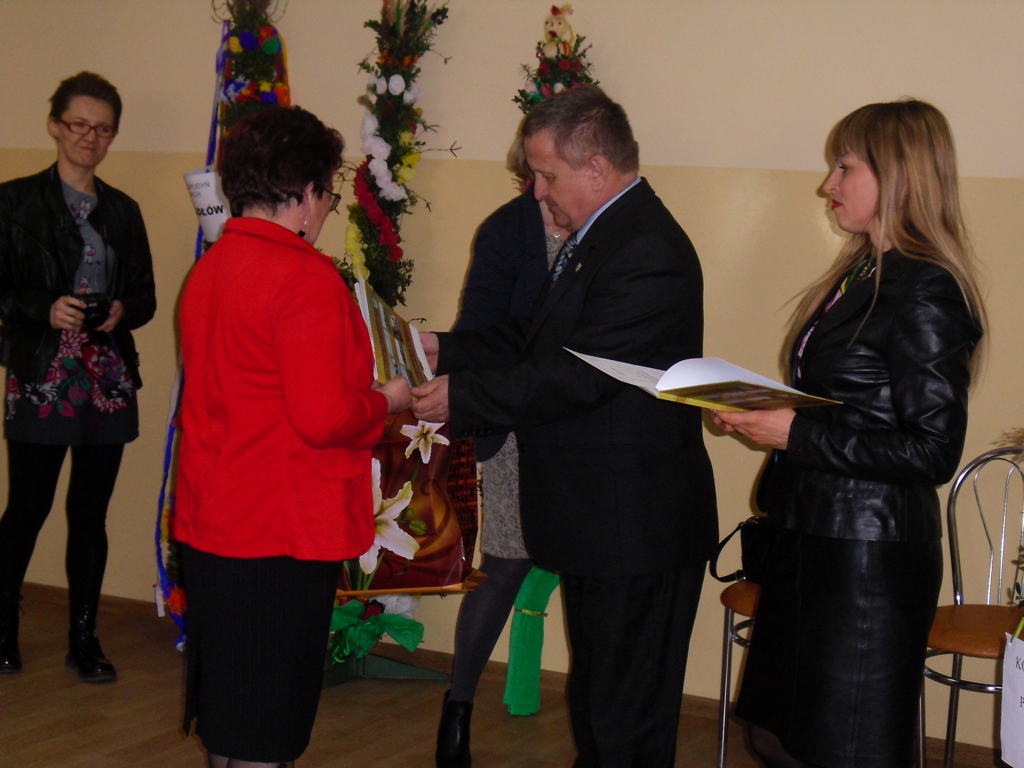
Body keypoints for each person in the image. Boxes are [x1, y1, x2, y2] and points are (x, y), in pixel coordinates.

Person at [413, 85, 718, 768]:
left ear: (596, 169)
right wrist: (445, 349)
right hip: (601, 524)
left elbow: (578, 378)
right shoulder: (605, 235)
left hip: (635, 528)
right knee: (601, 713)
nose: (537, 190)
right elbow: (536, 338)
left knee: (623, 724)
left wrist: (460, 397)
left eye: (547, 174)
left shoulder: (646, 249)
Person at [707, 99, 986, 768]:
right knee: (775, 735)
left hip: (868, 560)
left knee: (846, 750)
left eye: (845, 167)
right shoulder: (862, 271)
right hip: (813, 538)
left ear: (899, 175)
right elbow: (847, 407)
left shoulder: (927, 289)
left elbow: (932, 450)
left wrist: (795, 435)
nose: (827, 184)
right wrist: (759, 413)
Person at [175, 106, 412, 768]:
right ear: (307, 194)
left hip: (215, 518)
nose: (328, 209)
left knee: (231, 711)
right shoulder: (304, 278)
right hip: (280, 527)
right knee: (269, 721)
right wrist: (386, 400)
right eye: (330, 195)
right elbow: (323, 419)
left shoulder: (211, 269)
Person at [0, 71, 156, 682]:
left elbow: (144, 297)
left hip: (106, 378)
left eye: (103, 129)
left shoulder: (124, 211)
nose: (90, 138)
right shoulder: (13, 202)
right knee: (27, 508)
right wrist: (43, 308)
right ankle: (3, 630)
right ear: (54, 126)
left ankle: (84, 640)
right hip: (42, 373)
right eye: (79, 125)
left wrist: (121, 311)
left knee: (91, 515)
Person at [435, 134, 571, 768]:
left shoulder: (600, 227)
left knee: (588, 567)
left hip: (578, 425)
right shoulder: (504, 230)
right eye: (533, 176)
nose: (541, 190)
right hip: (514, 427)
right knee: (507, 563)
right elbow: (477, 333)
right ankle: (458, 708)